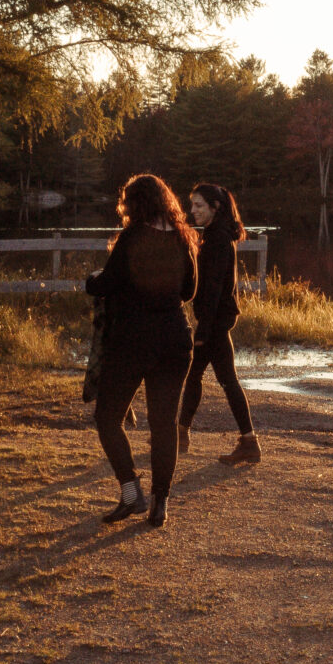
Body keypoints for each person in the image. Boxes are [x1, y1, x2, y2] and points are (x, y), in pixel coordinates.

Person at [85, 174, 198, 529]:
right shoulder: (183, 237)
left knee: (108, 417)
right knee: (164, 424)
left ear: (134, 204)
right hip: (175, 339)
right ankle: (160, 503)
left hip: (133, 340)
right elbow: (189, 291)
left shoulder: (132, 236)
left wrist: (91, 280)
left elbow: (107, 283)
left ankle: (132, 492)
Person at [178, 182, 261, 465]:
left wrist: (203, 329)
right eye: (192, 205)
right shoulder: (216, 236)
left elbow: (213, 289)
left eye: (199, 206)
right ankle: (181, 433)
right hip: (215, 320)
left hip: (214, 322)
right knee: (199, 375)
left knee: (226, 381)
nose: (193, 211)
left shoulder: (216, 241)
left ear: (215, 207)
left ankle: (249, 442)